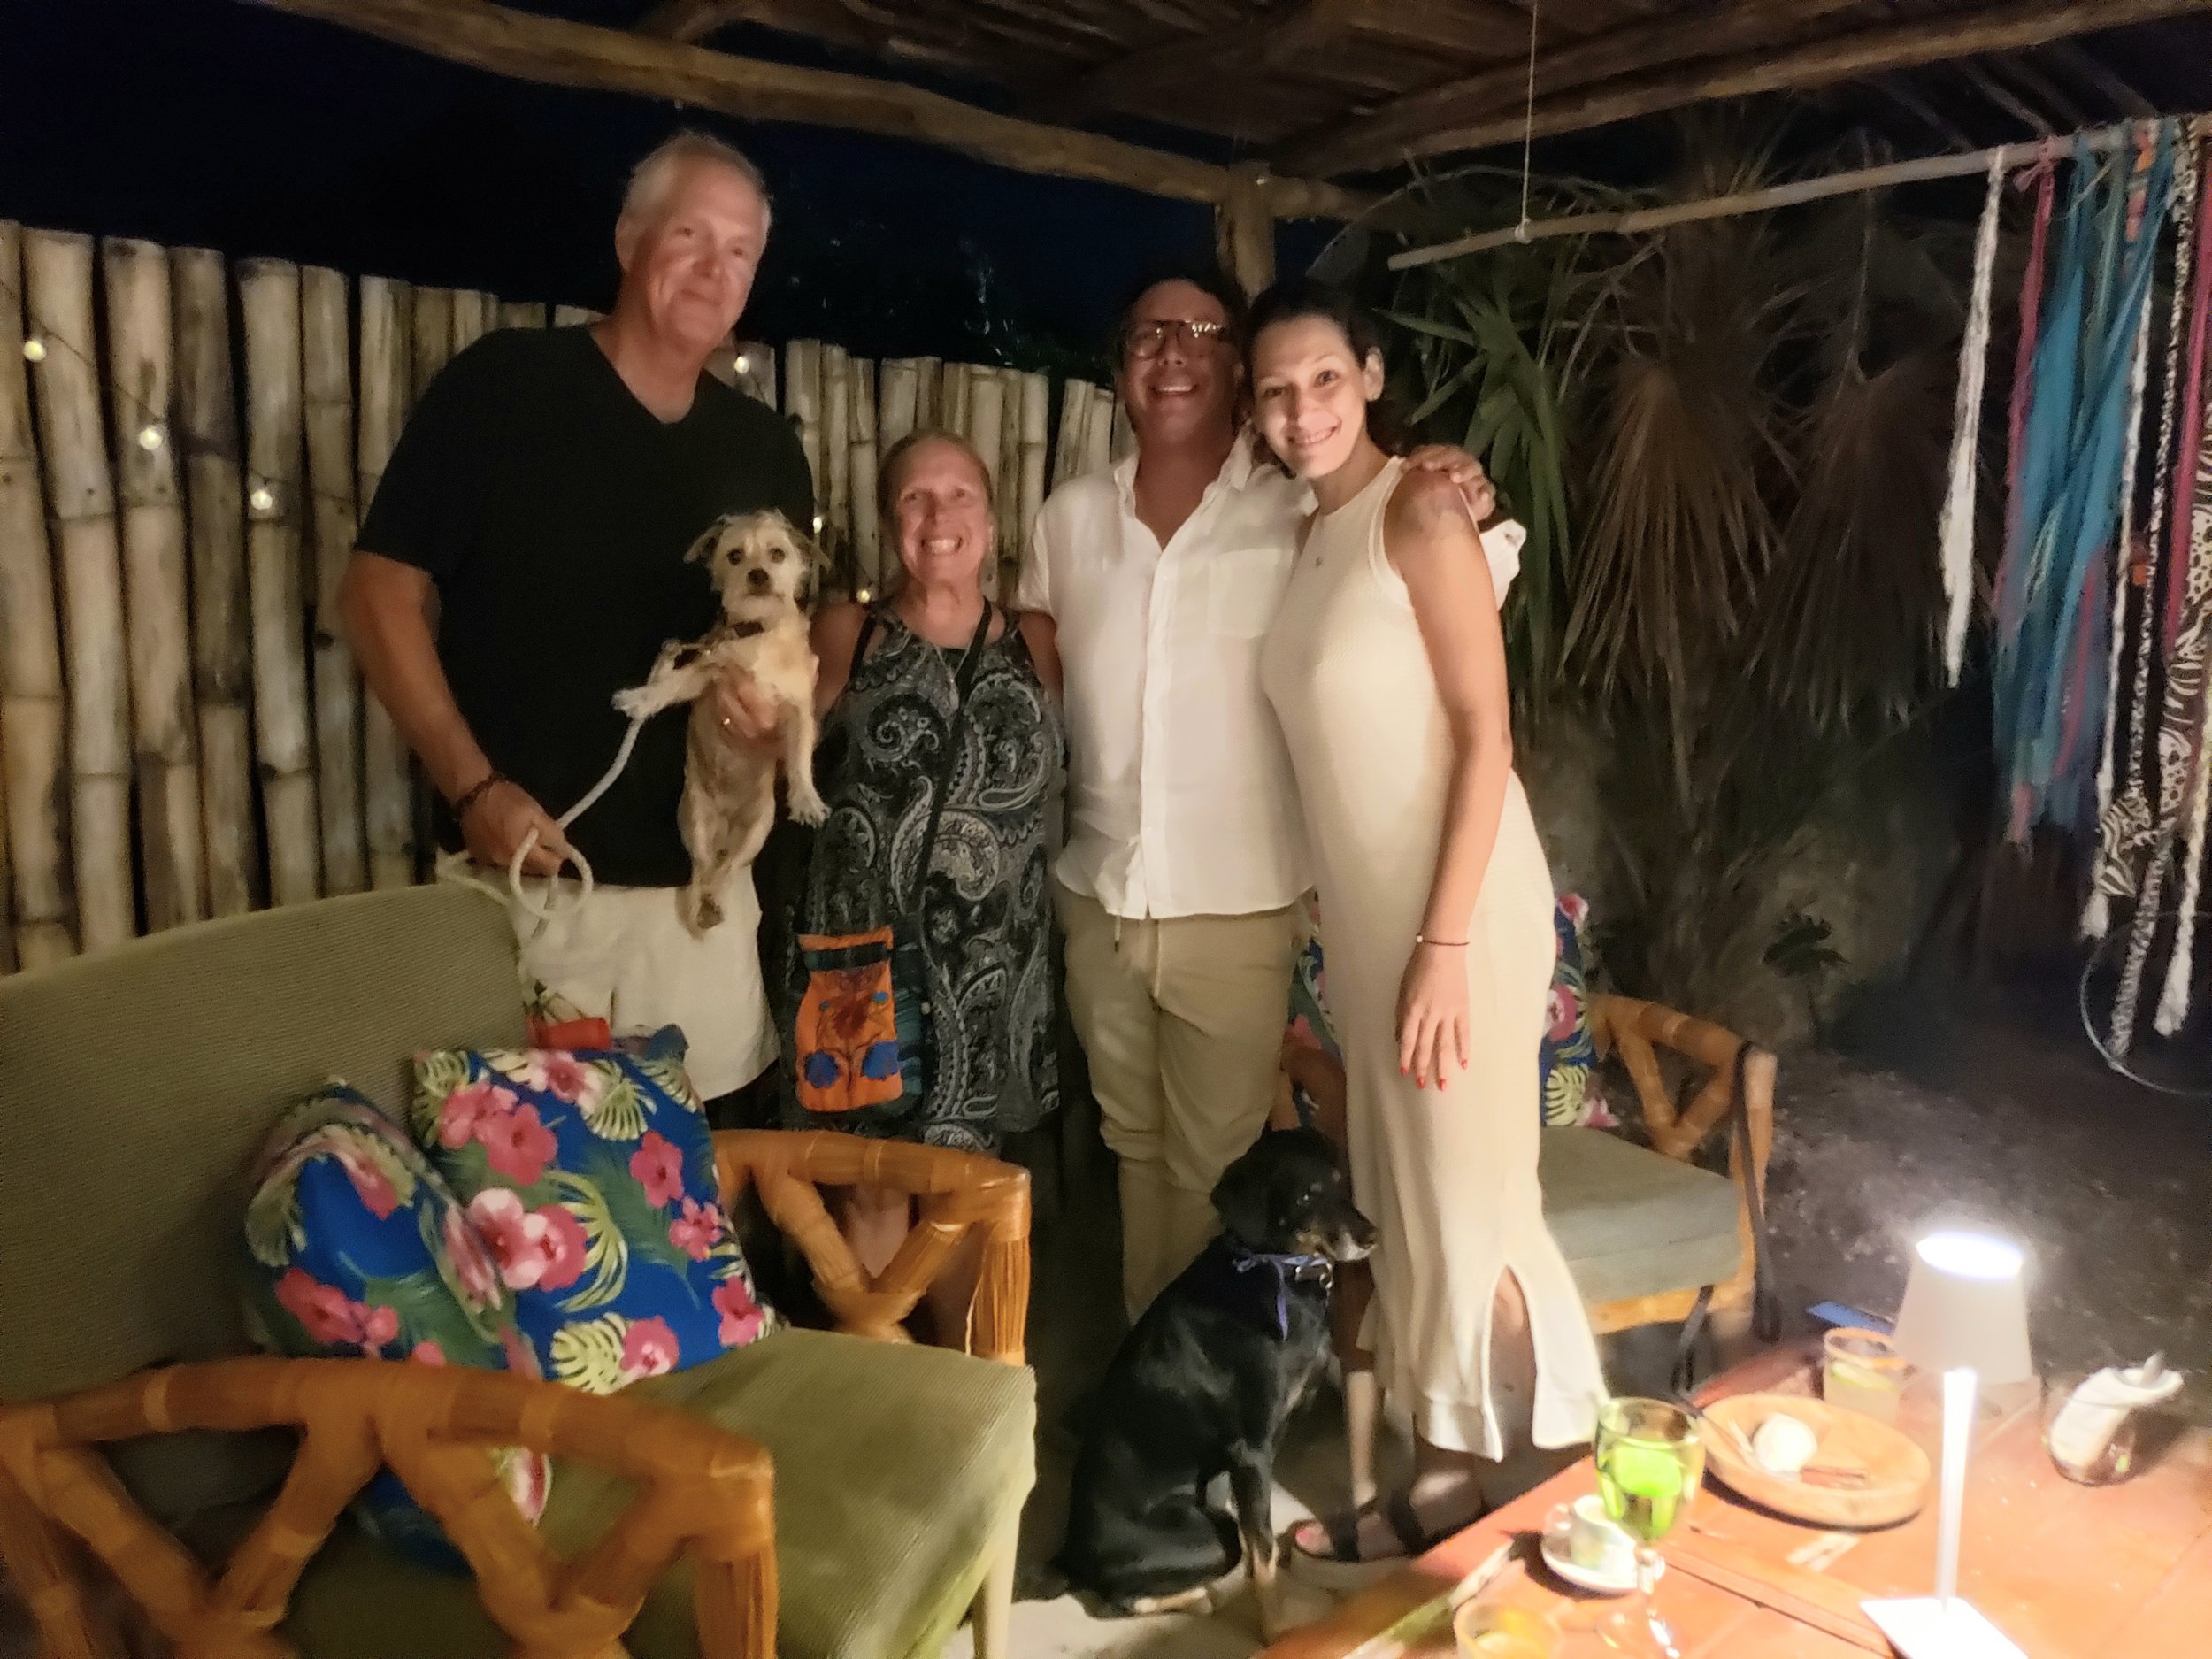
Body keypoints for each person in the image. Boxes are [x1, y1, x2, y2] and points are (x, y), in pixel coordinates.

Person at [1018, 268, 1492, 1323]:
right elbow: (1033, 661)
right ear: (1118, 370)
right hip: (1098, 897)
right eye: (1149, 334)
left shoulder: (1302, 508)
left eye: (1201, 330)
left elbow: (1419, 561)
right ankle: (1154, 1365)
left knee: (1214, 1172)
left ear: (1237, 368)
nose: (1173, 352)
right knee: (1132, 1147)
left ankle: (1192, 1384)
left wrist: (1455, 480)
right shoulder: (1069, 518)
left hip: (1233, 908)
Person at [1248, 279, 1608, 1571]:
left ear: (1372, 376)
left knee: (1475, 1210)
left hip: (1456, 922)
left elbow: (1483, 734)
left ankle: (1573, 1502)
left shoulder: (1419, 509)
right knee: (1417, 1214)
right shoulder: (1311, 534)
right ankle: (1449, 1486)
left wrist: (1444, 946)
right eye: (1275, 392)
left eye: (1324, 380)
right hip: (1373, 930)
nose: (1302, 411)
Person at [342, 131, 810, 1109]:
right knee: (518, 1186)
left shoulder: (766, 449)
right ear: (629, 238)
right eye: (690, 234)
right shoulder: (504, 386)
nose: (714, 267)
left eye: (740, 251)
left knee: (706, 1181)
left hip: (702, 904)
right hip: (532, 890)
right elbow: (379, 591)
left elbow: (786, 651)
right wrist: (474, 788)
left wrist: (769, 733)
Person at [775, 431, 1064, 1340]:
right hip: (855, 962)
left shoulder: (1038, 641)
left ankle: (960, 1390)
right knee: (867, 1185)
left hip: (992, 965)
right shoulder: (845, 633)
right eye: (914, 498)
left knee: (964, 1190)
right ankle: (878, 1381)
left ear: (993, 518)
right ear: (887, 520)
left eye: (959, 494)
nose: (939, 517)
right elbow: (768, 763)